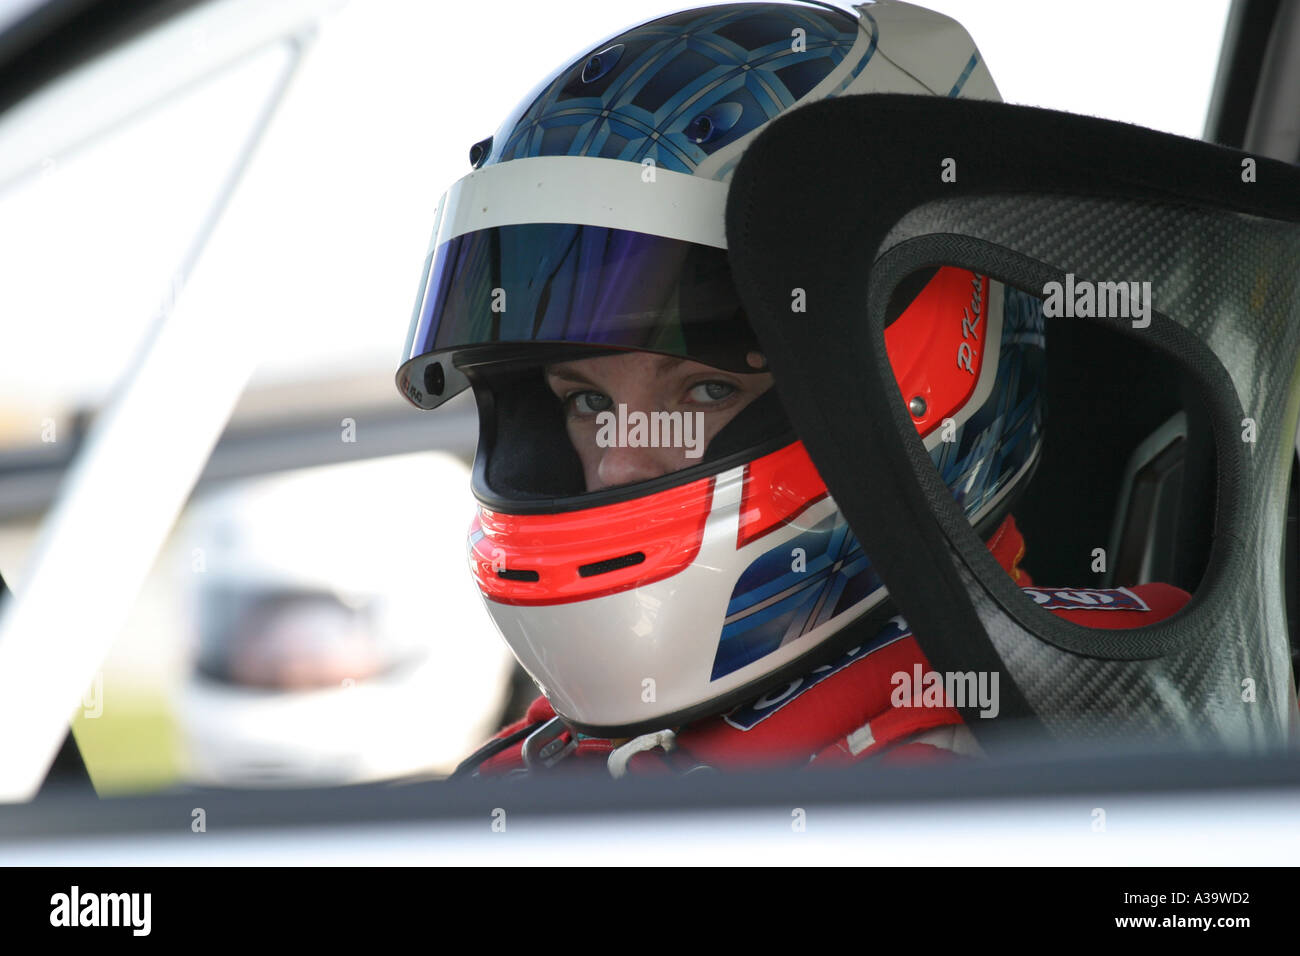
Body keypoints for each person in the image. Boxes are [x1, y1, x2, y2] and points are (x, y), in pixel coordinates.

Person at [394, 0, 1191, 777]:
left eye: (706, 391)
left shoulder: (1035, 749)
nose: (619, 464)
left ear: (907, 378)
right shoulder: (554, 761)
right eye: (588, 402)